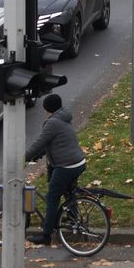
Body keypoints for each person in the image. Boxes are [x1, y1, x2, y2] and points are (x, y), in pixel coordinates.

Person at [24, 94, 87, 246]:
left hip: (66, 166)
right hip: (77, 162)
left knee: (52, 197)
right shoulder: (63, 117)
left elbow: (40, 142)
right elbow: (52, 143)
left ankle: (46, 235)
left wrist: (24, 157)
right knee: (68, 193)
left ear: (47, 108)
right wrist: (38, 156)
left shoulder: (52, 123)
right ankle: (72, 218)